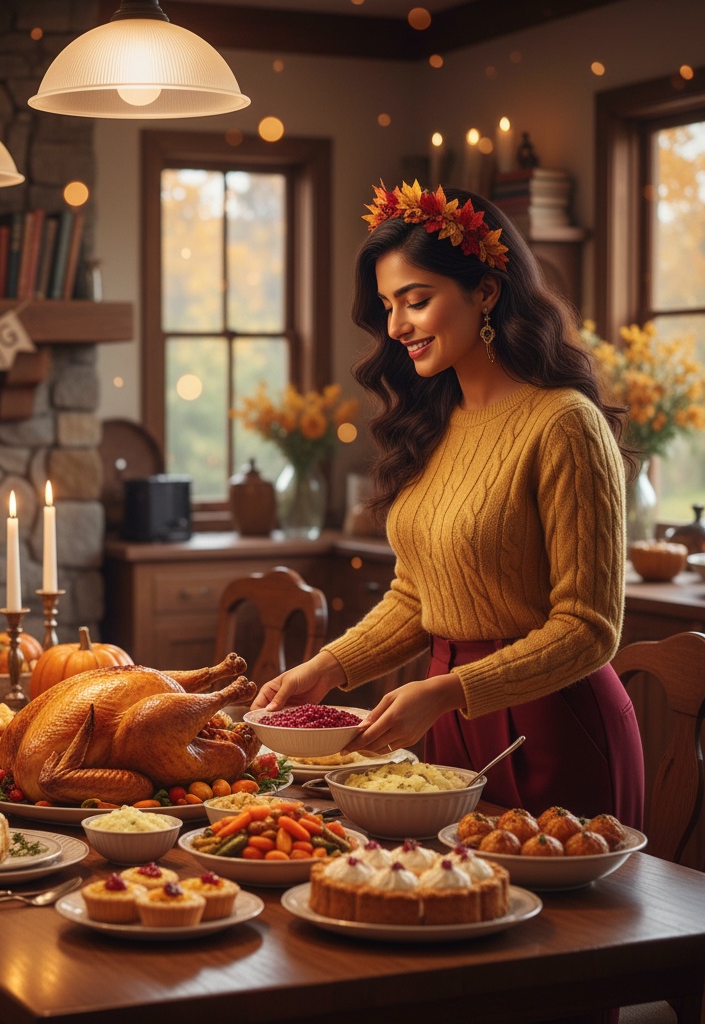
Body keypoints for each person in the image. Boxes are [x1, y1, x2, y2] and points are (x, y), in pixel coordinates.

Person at [251, 179, 645, 828]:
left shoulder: (564, 423)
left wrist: (448, 691)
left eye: (416, 300)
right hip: (448, 713)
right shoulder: (434, 421)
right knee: (456, 903)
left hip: (552, 721)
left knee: (560, 928)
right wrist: (327, 669)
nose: (396, 325)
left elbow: (589, 629)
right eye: (387, 305)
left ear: (485, 291)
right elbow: (421, 593)